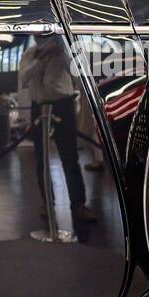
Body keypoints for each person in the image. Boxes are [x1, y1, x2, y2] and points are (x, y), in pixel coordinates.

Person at [19, 35, 95, 224]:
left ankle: (78, 206)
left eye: (46, 36)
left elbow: (78, 75)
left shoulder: (65, 52)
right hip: (40, 106)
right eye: (38, 36)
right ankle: (47, 203)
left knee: (70, 158)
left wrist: (63, 53)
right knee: (41, 159)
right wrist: (40, 58)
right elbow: (24, 78)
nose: (42, 39)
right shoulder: (30, 53)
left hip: (63, 105)